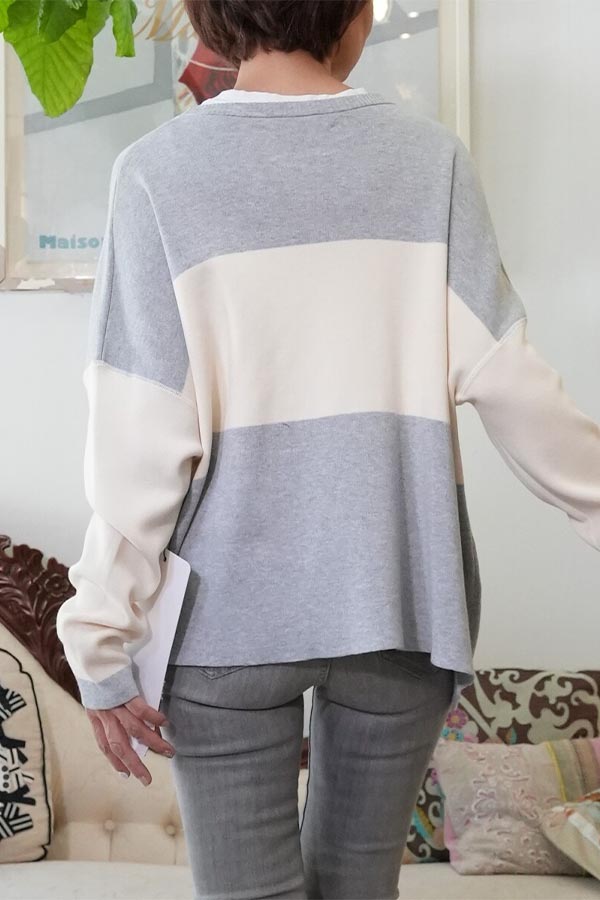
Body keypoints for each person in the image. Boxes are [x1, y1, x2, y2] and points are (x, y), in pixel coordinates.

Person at [56, 1, 600, 897]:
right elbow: (514, 385)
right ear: (356, 12)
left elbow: (138, 433)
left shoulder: (156, 172)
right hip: (399, 600)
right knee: (358, 887)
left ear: (208, 16)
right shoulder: (430, 161)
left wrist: (99, 632)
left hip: (224, 626)